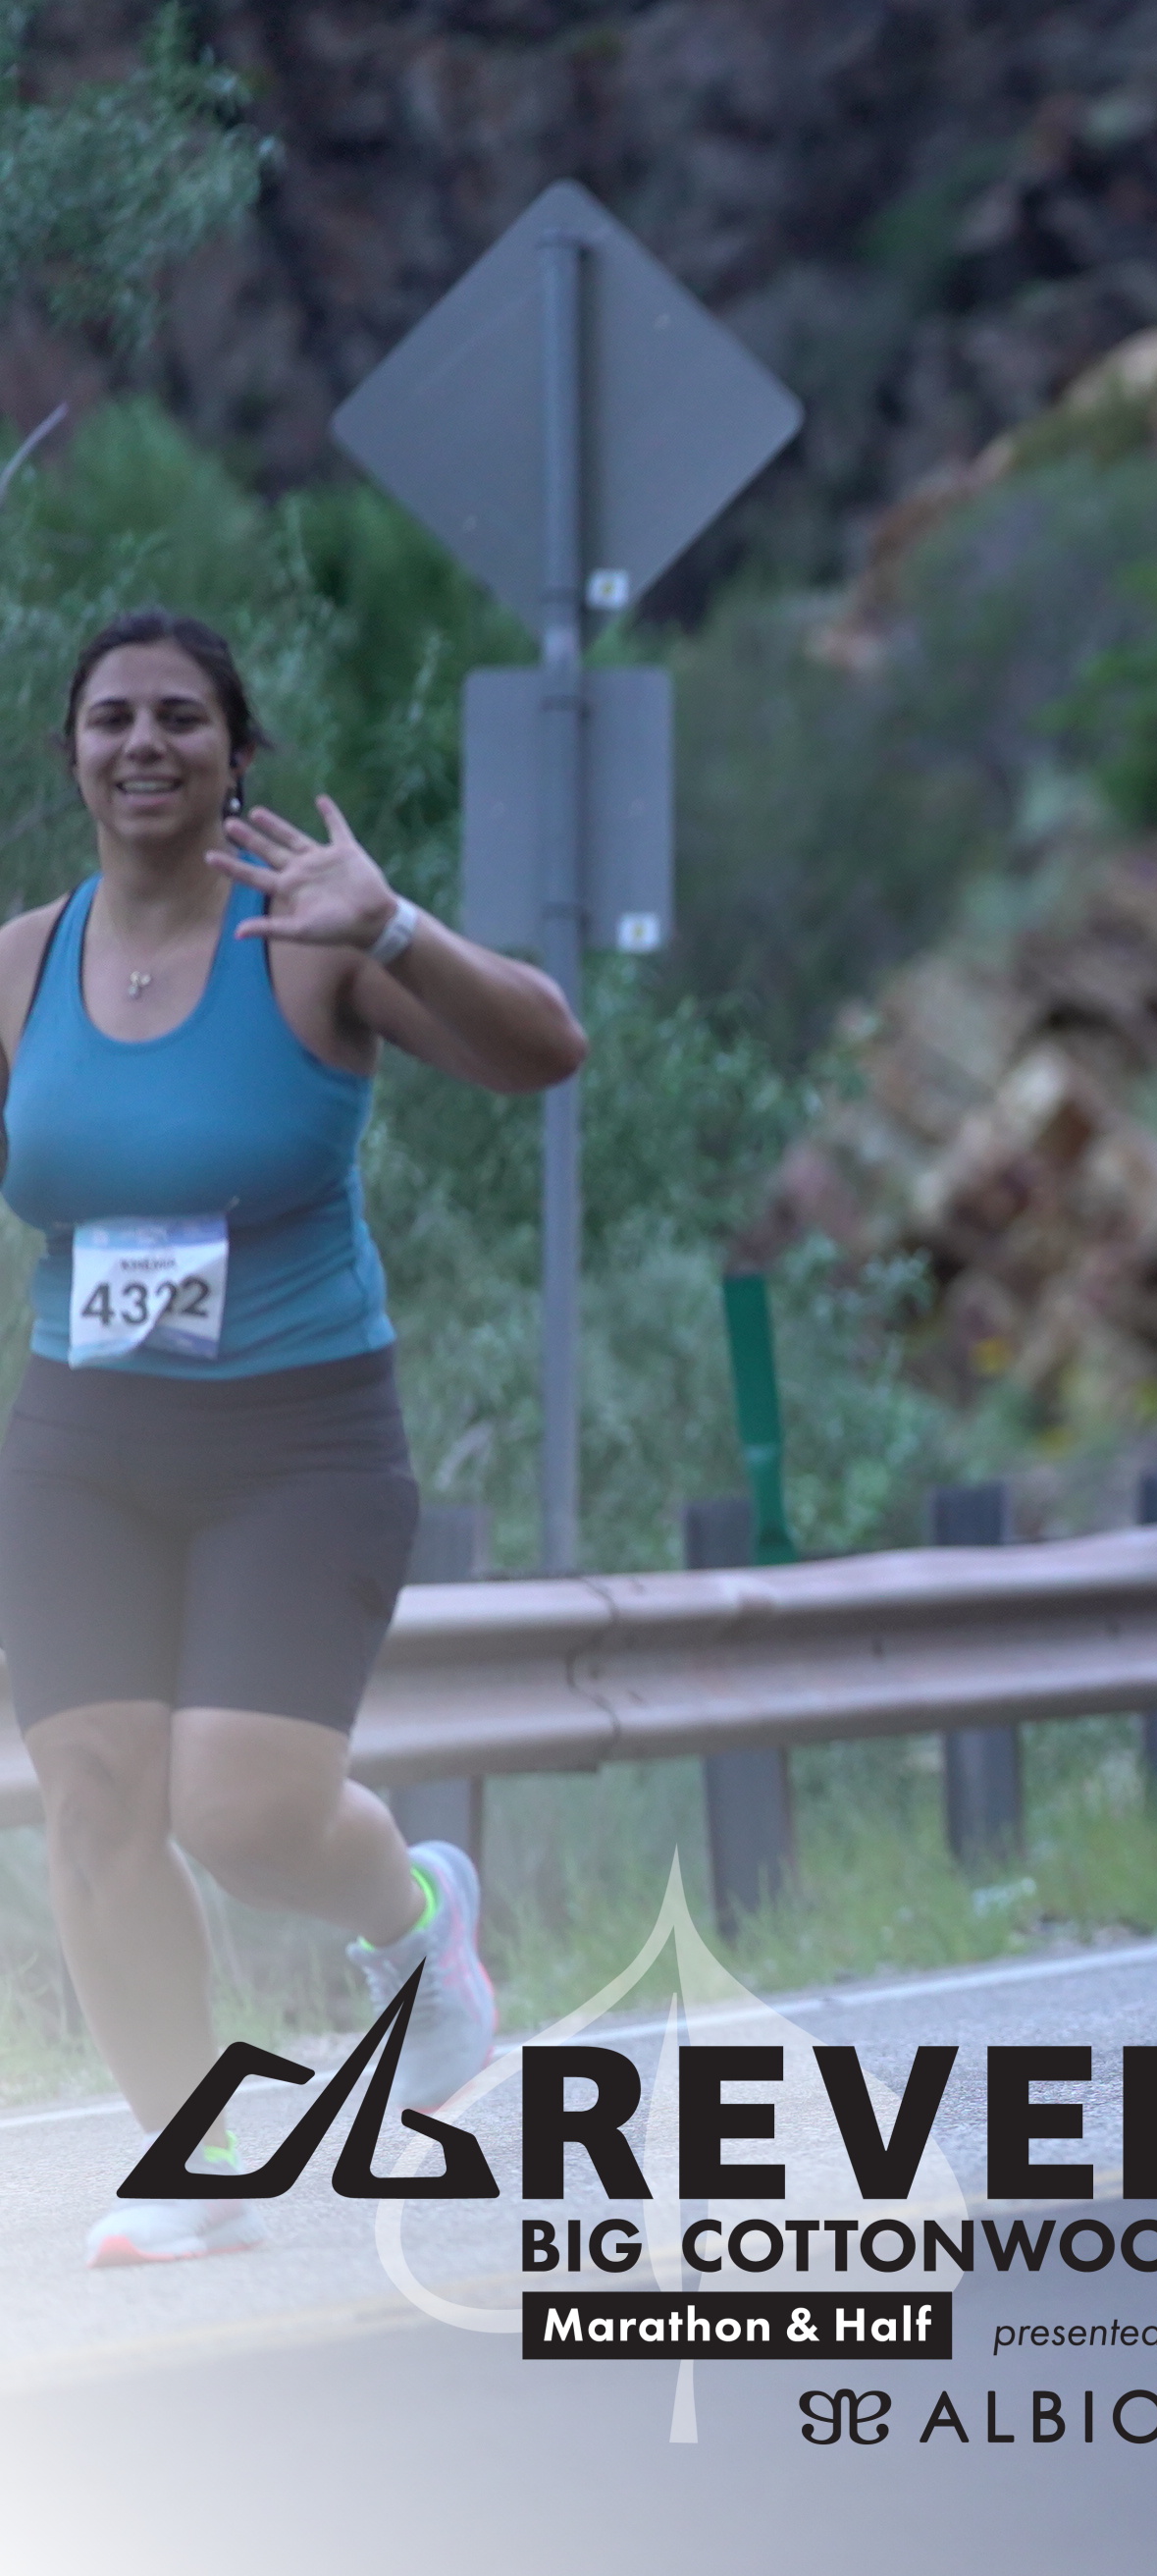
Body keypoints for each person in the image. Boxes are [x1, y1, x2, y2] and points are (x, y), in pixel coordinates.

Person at [7, 611, 586, 2266]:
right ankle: (189, 2157)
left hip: (299, 1441)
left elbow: (544, 1049)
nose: (144, 743)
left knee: (244, 1814)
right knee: (96, 1797)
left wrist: (396, 923)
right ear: (72, 754)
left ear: (235, 754)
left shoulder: (310, 940)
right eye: (112, 717)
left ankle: (420, 1912)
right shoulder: (22, 965)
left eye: (181, 717)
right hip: (80, 1441)